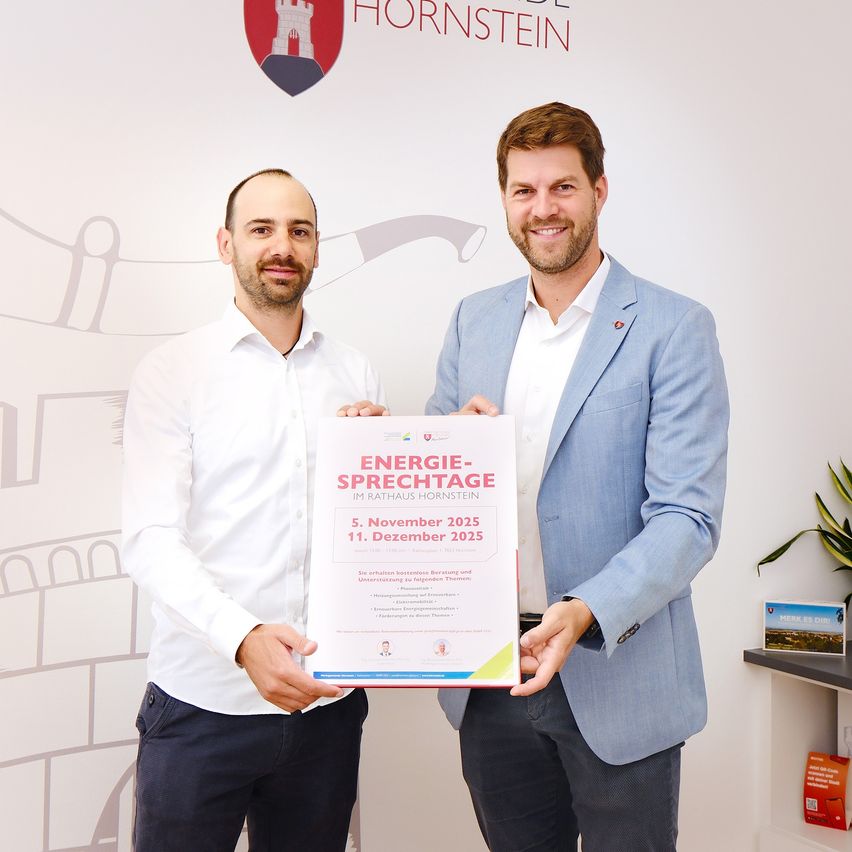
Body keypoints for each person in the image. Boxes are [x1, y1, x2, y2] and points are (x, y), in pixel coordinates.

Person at [426, 103, 729, 851]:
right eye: (524, 191)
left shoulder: (674, 327)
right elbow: (428, 481)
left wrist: (586, 609)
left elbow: (687, 519)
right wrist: (402, 447)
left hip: (616, 675)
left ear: (599, 190)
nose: (543, 209)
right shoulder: (473, 320)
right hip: (491, 676)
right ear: (503, 200)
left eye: (562, 187)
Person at [122, 168, 387, 852]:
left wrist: (390, 463)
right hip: (200, 710)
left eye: (299, 231)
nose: (282, 246)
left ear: (318, 248)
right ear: (225, 243)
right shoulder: (172, 372)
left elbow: (366, 537)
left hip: (326, 711)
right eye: (261, 229)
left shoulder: (355, 373)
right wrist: (243, 639)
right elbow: (149, 539)